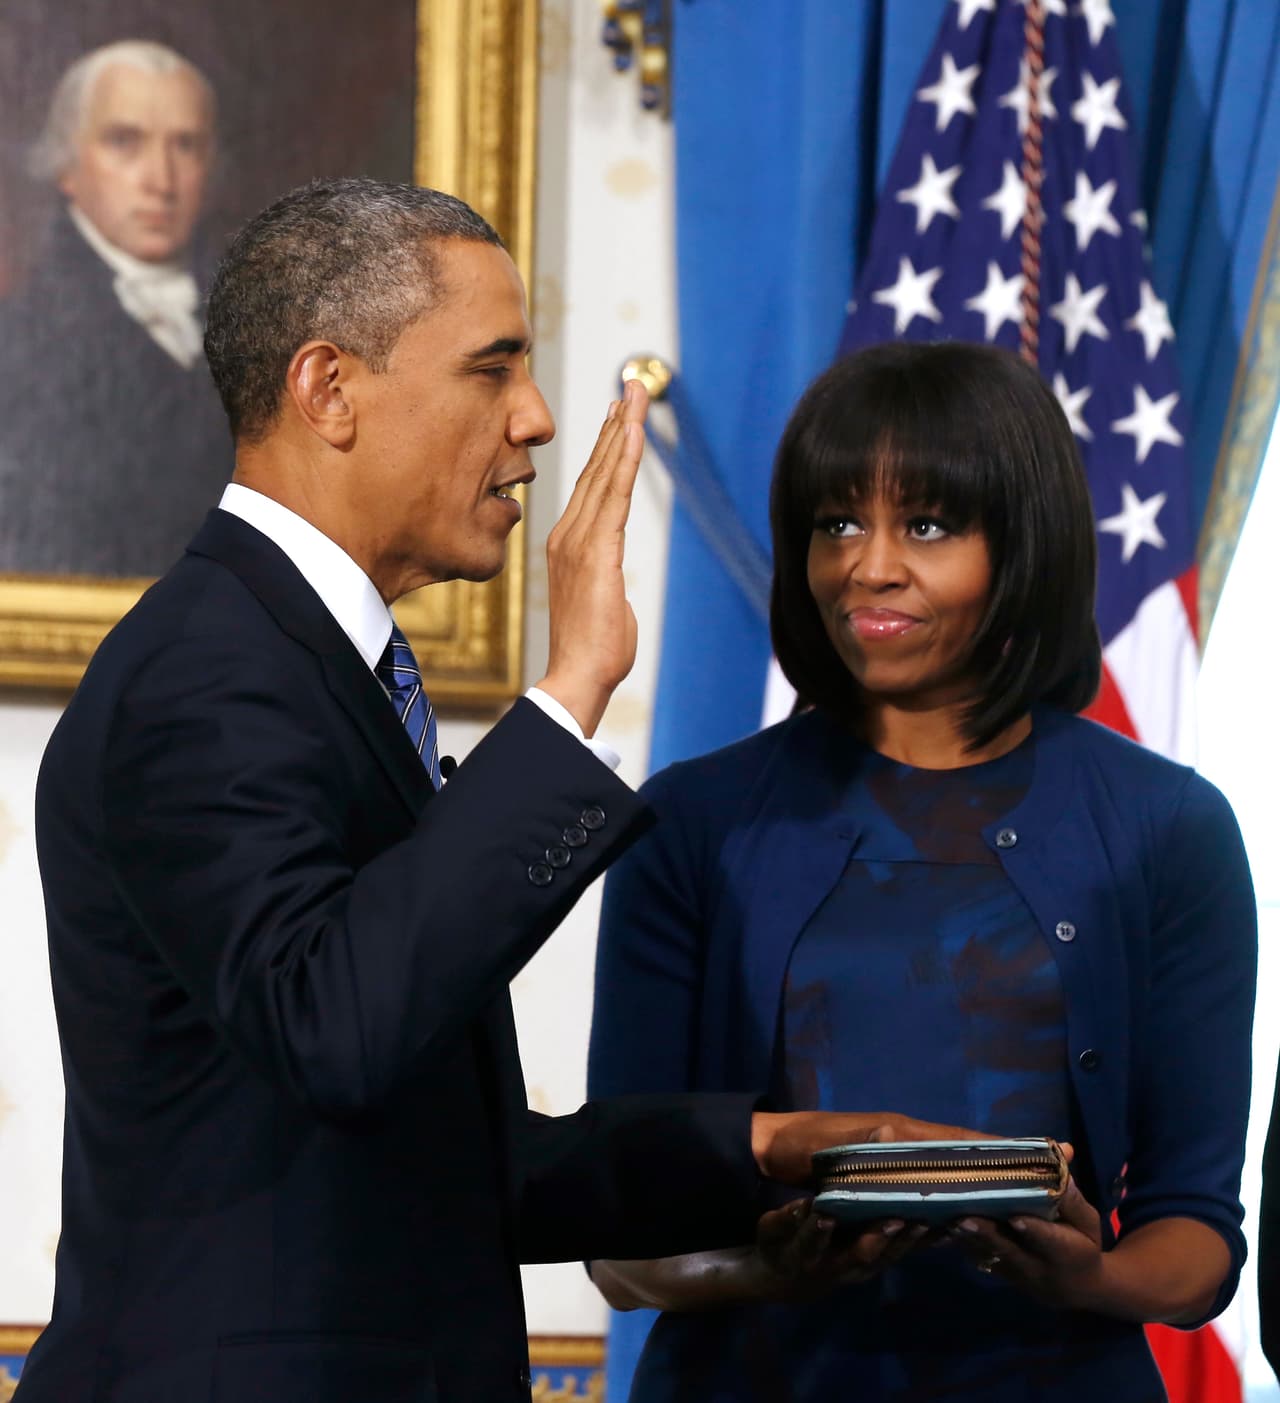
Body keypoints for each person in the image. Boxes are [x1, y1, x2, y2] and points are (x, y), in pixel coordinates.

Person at [17, 178, 884, 1403]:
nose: (534, 417)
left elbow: (436, 1160)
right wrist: (573, 685)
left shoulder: (321, 668)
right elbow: (341, 1028)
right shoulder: (207, 670)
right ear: (329, 389)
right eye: (492, 368)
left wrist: (765, 1146)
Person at [587, 341, 1257, 1402]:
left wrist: (1093, 1273)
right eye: (836, 521)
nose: (868, 564)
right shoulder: (690, 818)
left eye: (927, 525)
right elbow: (615, 1238)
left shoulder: (1164, 825)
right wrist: (772, 1264)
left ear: (1022, 541)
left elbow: (1197, 1235)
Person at [0, 39, 230, 577]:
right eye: (125, 142)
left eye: (186, 145)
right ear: (66, 165)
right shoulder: (14, 341)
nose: (160, 181)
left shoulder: (263, 321)